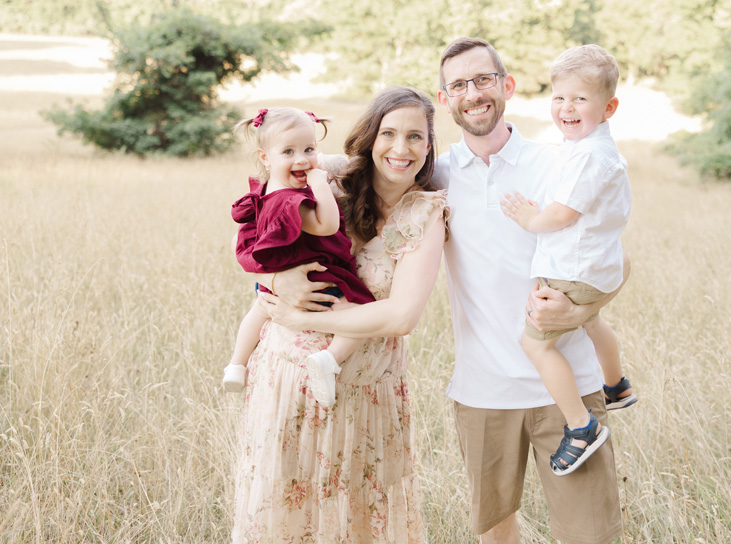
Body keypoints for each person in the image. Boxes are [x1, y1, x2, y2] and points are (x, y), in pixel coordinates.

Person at [231, 86, 448, 544]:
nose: (400, 148)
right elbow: (261, 234)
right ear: (371, 137)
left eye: (416, 136)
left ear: (429, 147)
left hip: (368, 394)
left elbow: (401, 317)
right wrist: (274, 283)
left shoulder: (427, 212)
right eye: (389, 133)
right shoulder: (326, 174)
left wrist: (301, 317)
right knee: (285, 511)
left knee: (358, 520)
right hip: (287, 379)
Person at [433, 38, 623, 543]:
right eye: (459, 85)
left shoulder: (562, 161)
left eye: (483, 79)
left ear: (507, 86)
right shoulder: (436, 174)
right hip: (483, 391)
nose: (472, 93)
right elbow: (368, 169)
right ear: (444, 98)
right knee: (496, 535)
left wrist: (580, 310)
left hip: (569, 388)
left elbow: (620, 260)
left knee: (591, 536)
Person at [500, 44, 636, 477]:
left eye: (580, 98)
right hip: (599, 269)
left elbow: (563, 214)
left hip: (573, 274)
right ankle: (616, 384)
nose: (566, 107)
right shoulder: (595, 151)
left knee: (535, 344)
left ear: (608, 107)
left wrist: (529, 219)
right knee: (592, 322)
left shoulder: (589, 157)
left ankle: (581, 426)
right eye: (559, 97)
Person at [222, 106, 375, 408]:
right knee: (361, 316)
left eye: (309, 148)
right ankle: (329, 359)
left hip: (274, 279)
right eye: (288, 151)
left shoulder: (266, 190)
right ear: (266, 157)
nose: (302, 159)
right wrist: (320, 185)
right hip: (317, 275)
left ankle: (237, 364)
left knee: (257, 312)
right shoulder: (294, 200)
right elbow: (328, 224)